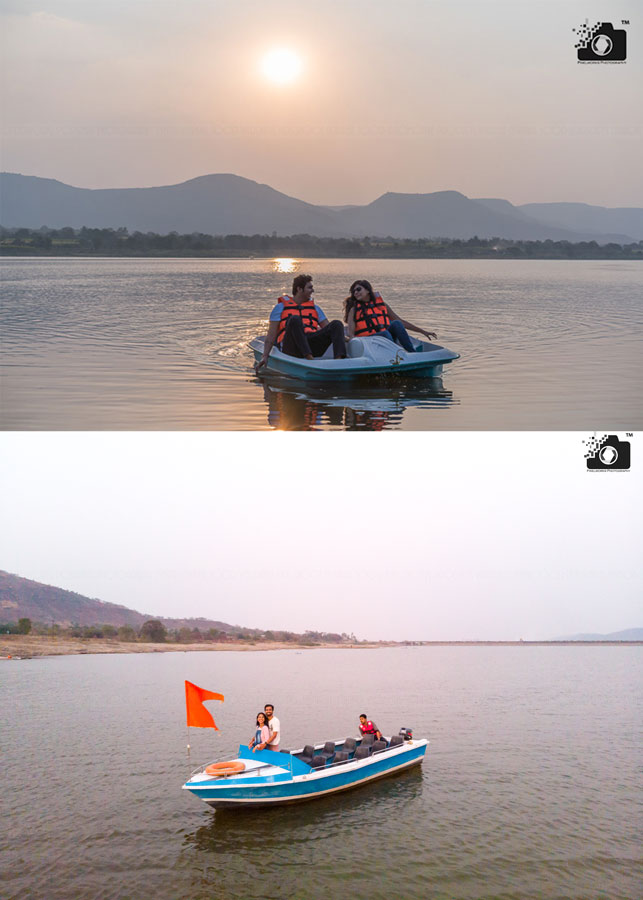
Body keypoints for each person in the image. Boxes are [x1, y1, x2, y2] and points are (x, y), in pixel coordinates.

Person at [255, 274, 346, 372]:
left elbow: (329, 329)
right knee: (295, 319)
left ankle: (339, 362)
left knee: (336, 324)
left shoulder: (316, 308)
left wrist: (349, 339)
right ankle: (309, 359)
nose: (313, 290)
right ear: (299, 289)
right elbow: (271, 335)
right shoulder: (280, 308)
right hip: (291, 347)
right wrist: (265, 356)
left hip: (312, 344)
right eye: (309, 288)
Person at [344, 279, 437, 351]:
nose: (355, 292)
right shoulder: (354, 310)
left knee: (396, 323)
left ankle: (412, 353)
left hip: (386, 338)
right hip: (368, 342)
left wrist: (423, 331)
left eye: (358, 289)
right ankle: (396, 353)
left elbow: (402, 322)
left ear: (368, 290)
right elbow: (351, 334)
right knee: (384, 333)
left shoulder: (382, 305)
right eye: (353, 291)